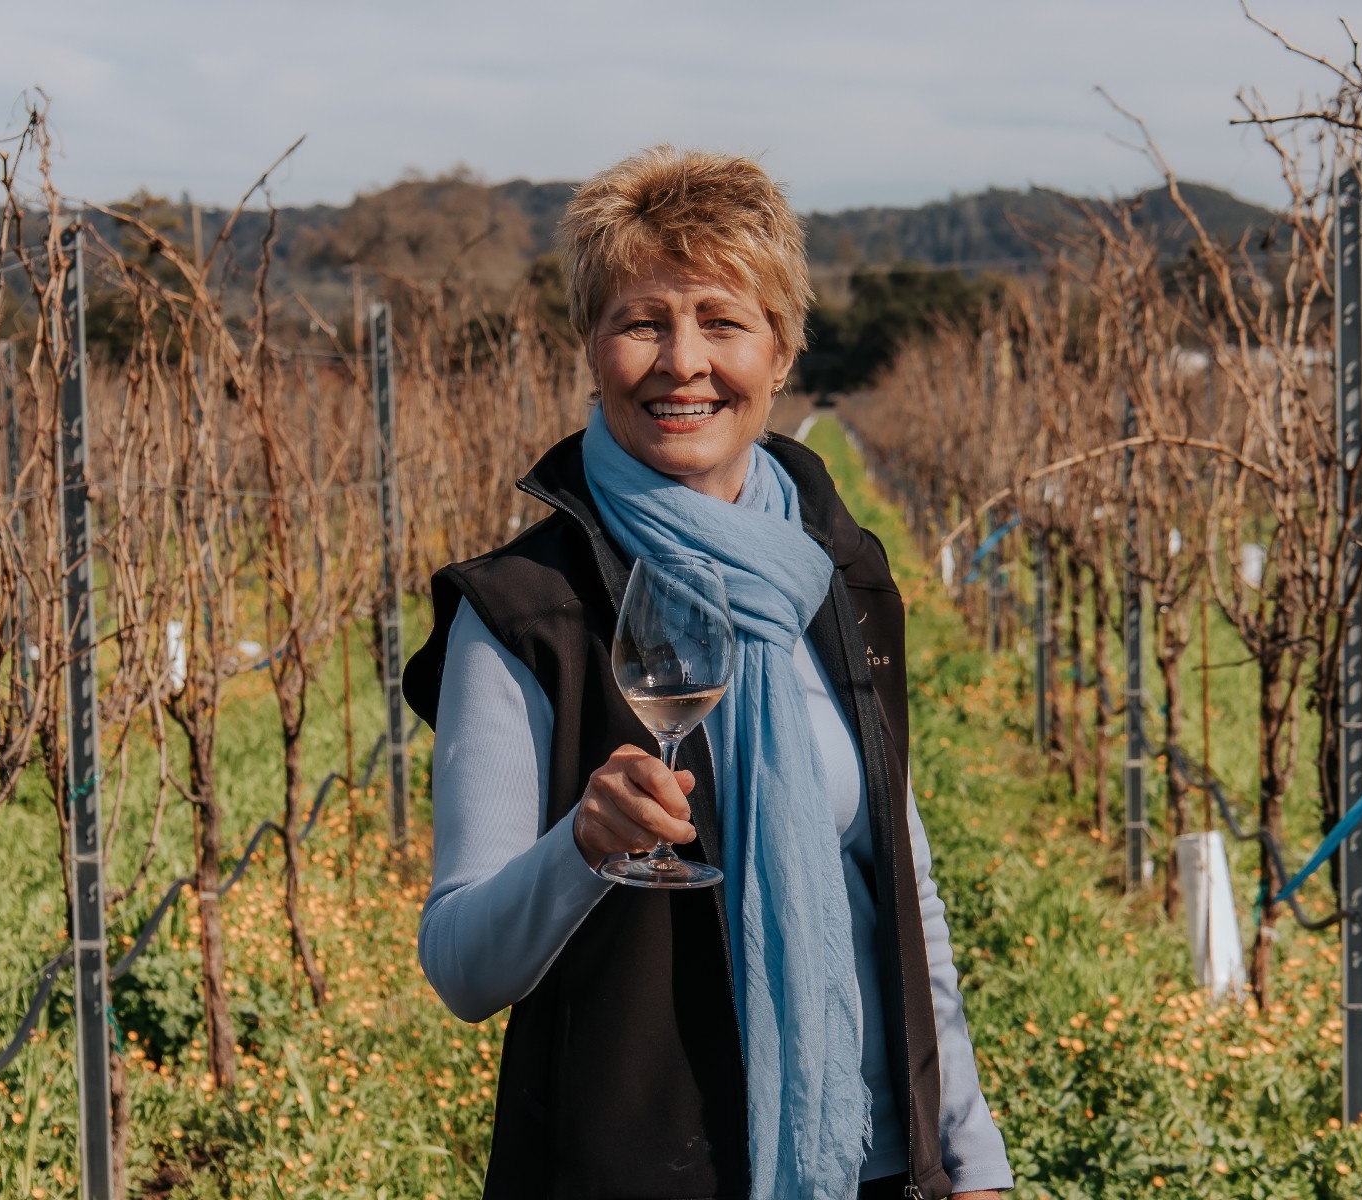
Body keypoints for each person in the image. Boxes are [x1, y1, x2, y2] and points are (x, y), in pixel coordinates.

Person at [405, 146, 1012, 1200]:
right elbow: (461, 966)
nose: (683, 362)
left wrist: (968, 1150)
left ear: (781, 353)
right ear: (593, 347)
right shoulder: (524, 612)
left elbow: (900, 882)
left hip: (863, 1161)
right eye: (643, 322)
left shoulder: (839, 573)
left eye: (723, 322)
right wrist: (582, 847)